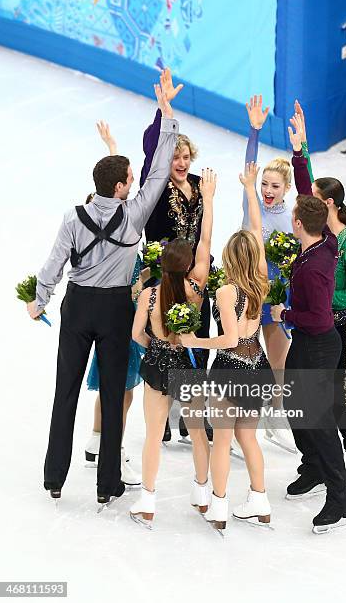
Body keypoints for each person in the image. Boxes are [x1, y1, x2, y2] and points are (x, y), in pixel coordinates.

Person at [27, 85, 178, 505]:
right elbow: (160, 174)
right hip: (114, 309)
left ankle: (54, 478)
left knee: (66, 393)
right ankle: (106, 484)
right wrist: (167, 119)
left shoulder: (73, 216)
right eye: (129, 179)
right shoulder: (132, 216)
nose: (134, 182)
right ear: (118, 188)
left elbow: (53, 266)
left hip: (77, 307)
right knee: (113, 398)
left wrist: (39, 300)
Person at [270, 117, 346, 534]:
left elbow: (319, 317)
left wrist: (282, 315)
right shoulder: (326, 237)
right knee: (294, 407)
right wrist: (300, 152)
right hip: (311, 342)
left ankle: (341, 500)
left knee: (317, 420)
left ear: (298, 225)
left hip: (319, 341)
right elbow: (309, 197)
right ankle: (315, 468)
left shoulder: (313, 270)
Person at [181, 162, 273, 533]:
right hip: (260, 367)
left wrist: (195, 340)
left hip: (231, 371)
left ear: (230, 259)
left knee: (222, 441)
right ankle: (260, 499)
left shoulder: (226, 291)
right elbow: (256, 231)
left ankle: (218, 507)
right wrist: (250, 190)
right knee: (247, 437)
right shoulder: (262, 280)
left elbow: (230, 339)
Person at [129, 169, 216, 528]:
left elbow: (137, 335)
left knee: (153, 434)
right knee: (197, 430)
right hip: (189, 363)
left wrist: (158, 346)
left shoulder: (149, 294)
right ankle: (202, 494)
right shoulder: (196, 289)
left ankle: (148, 501)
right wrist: (208, 200)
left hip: (158, 364)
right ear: (189, 265)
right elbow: (207, 241)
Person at [289, 110, 346, 490]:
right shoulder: (322, 232)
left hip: (341, 322)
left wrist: (320, 297)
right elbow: (306, 190)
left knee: (338, 390)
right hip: (316, 323)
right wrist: (301, 150)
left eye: (317, 201)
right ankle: (319, 460)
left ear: (331, 205)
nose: (308, 203)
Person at [140, 68, 212, 443]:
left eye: (185, 156)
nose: (180, 162)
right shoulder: (154, 189)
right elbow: (153, 147)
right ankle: (162, 410)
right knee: (166, 340)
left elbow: (204, 231)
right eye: (174, 157)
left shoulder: (201, 185)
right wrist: (163, 110)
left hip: (197, 277)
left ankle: (192, 412)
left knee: (200, 335)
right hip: (166, 275)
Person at [242, 96, 314, 453]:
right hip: (246, 291)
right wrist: (254, 132)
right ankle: (229, 422)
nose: (267, 191)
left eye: (274, 186)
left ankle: (275, 418)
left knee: (279, 359)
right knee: (239, 354)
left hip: (278, 296)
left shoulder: (294, 215)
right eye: (264, 184)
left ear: (285, 189)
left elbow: (308, 188)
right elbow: (249, 168)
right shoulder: (251, 203)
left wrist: (301, 148)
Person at [83, 122, 145, 486]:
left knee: (114, 384)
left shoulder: (102, 208)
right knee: (122, 390)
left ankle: (96, 440)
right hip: (122, 313)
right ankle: (114, 450)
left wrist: (110, 146)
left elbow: (111, 183)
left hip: (109, 310)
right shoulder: (119, 220)